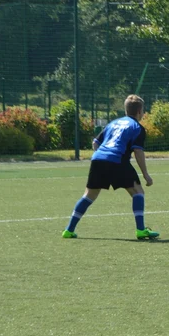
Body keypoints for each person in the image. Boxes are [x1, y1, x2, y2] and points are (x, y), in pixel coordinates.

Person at [62, 94, 159, 240]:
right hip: (117, 160)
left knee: (89, 195)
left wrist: (103, 156)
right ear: (139, 112)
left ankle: (68, 230)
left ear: (126, 110)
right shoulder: (137, 127)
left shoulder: (113, 123)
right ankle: (141, 230)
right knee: (138, 191)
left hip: (98, 159)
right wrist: (146, 174)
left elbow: (95, 142)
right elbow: (138, 151)